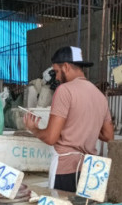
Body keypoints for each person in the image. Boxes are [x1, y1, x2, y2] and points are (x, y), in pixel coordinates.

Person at [23, 46, 114, 192]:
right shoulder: (100, 96)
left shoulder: (64, 91)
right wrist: (86, 124)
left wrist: (33, 128)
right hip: (91, 170)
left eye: (57, 72)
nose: (57, 78)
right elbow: (109, 136)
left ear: (65, 67)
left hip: (66, 168)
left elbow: (51, 138)